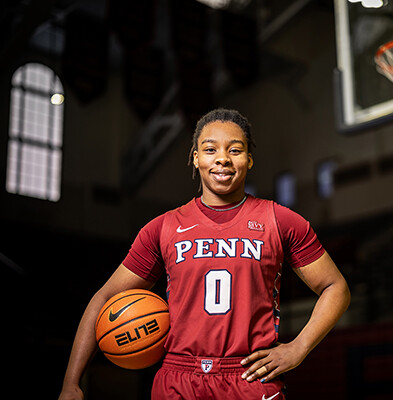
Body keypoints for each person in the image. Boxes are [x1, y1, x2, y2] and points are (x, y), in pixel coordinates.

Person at [58, 108, 351, 400]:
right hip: (178, 378)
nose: (222, 158)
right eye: (210, 149)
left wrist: (298, 348)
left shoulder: (279, 220)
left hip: (249, 376)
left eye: (235, 150)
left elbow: (335, 287)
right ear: (195, 158)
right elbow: (104, 298)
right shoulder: (163, 227)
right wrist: (71, 382)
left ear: (249, 159)